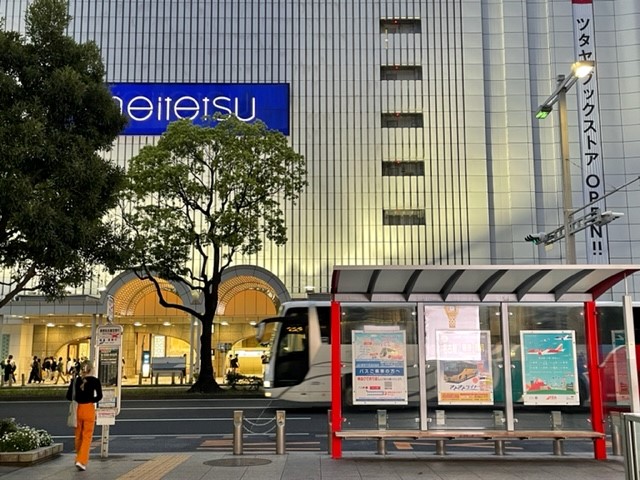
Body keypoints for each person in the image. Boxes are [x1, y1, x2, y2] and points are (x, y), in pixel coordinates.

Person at [66, 360, 103, 471]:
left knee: (78, 436)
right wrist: (92, 399)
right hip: (88, 409)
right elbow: (99, 396)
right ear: (91, 369)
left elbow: (68, 396)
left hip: (78, 409)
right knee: (87, 437)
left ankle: (79, 457)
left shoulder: (76, 381)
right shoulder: (95, 381)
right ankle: (81, 461)